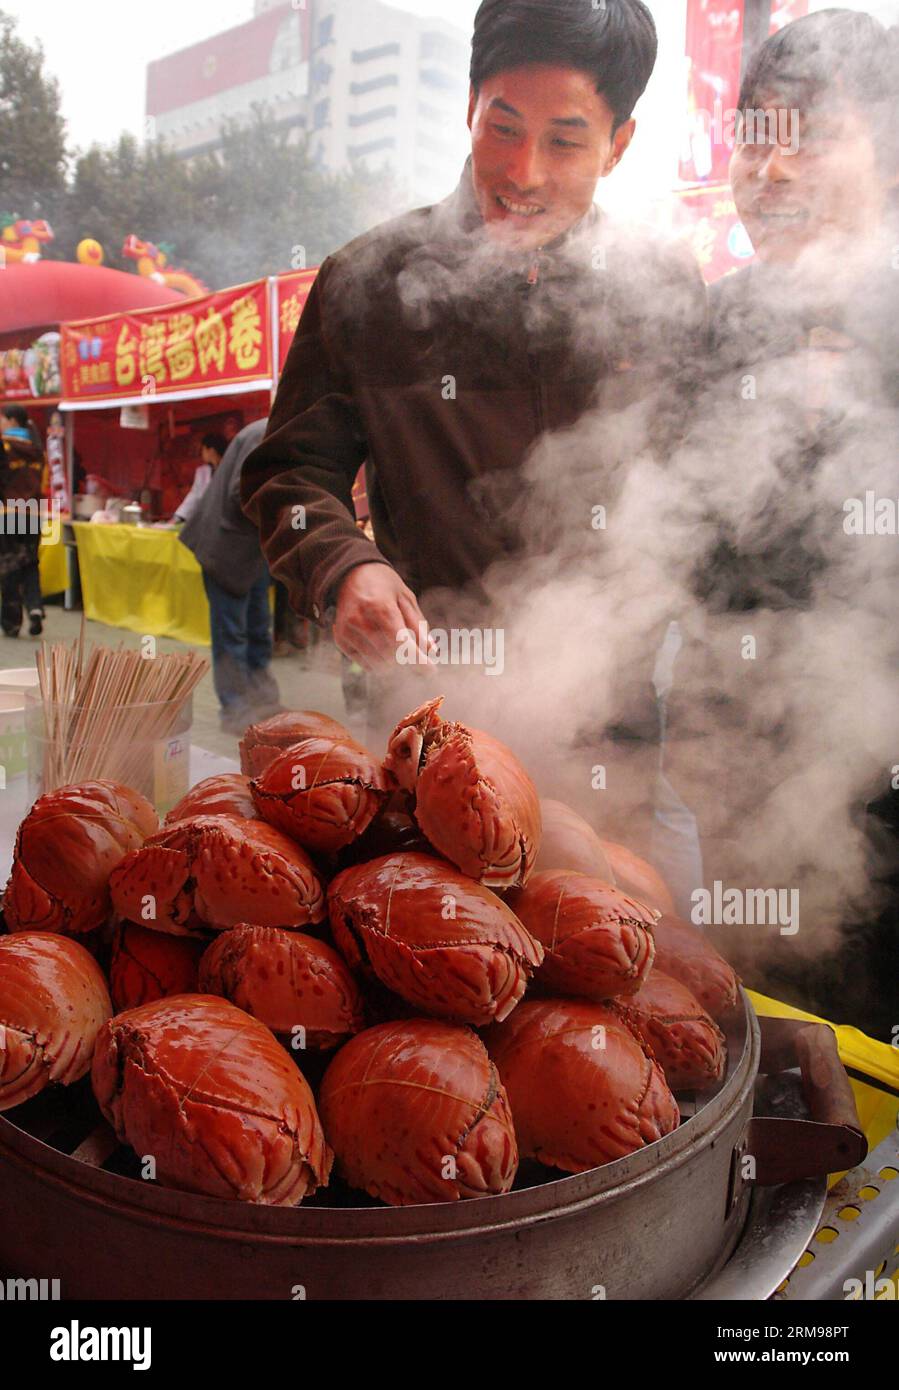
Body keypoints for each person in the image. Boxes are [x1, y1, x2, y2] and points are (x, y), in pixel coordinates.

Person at [242, 0, 706, 842]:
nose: (522, 172)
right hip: (427, 709)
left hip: (610, 723)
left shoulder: (662, 290)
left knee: (614, 936)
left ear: (620, 143)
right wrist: (343, 567)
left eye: (564, 140)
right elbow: (288, 473)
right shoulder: (368, 282)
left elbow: (697, 489)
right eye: (503, 125)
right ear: (467, 107)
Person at [672, 9, 899, 1036]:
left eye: (805, 133)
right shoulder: (714, 325)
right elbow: (657, 561)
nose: (767, 168)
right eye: (752, 136)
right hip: (743, 783)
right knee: (772, 1061)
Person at [179, 419, 280, 736]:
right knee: (232, 635)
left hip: (252, 551)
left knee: (259, 628)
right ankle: (234, 709)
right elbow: (243, 493)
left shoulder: (279, 432)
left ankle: (264, 701)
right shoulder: (264, 434)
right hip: (226, 548)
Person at [0, 404, 46, 637]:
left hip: (9, 511)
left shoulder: (5, 446)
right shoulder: (38, 449)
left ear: (12, 421)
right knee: (30, 563)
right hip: (35, 512)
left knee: (10, 565)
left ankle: (12, 622)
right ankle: (35, 607)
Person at [170, 431, 227, 526]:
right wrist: (179, 516)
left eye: (203, 450)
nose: (201, 453)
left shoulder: (230, 468)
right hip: (208, 520)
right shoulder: (202, 472)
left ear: (211, 450)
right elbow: (194, 495)